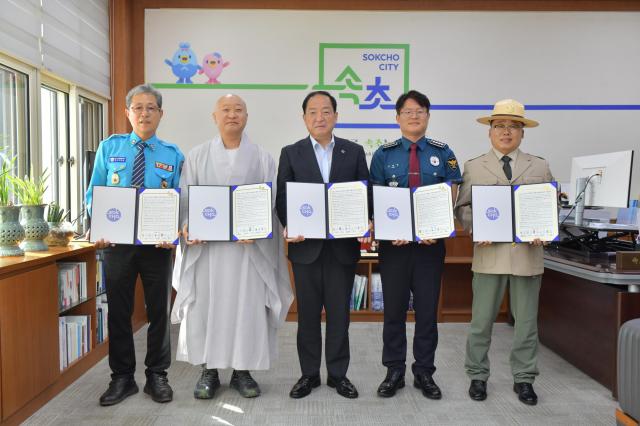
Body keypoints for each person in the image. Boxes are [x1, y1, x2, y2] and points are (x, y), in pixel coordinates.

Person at [171, 94, 292, 399]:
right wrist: (188, 225)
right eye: (225, 110)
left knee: (246, 309)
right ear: (215, 117)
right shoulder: (196, 156)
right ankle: (208, 370)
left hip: (248, 253)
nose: (232, 115)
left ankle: (242, 371)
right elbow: (185, 200)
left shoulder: (263, 158)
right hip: (208, 252)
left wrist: (261, 228)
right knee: (206, 307)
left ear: (247, 117)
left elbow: (272, 203)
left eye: (238, 110)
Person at [86, 84, 184, 406]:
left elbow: (182, 201)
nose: (144, 113)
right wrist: (97, 225)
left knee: (159, 310)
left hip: (157, 246)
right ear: (127, 113)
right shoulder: (108, 148)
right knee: (119, 311)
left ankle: (157, 375)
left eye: (150, 108)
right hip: (118, 245)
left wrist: (177, 228)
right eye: (138, 107)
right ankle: (122, 378)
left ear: (161, 114)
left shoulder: (173, 154)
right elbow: (94, 193)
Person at [454, 99, 554, 406]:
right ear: (490, 132)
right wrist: (477, 228)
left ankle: (524, 378)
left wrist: (544, 231)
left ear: (522, 132)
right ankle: (478, 375)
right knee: (481, 321)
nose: (506, 132)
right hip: (489, 255)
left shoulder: (539, 165)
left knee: (526, 323)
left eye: (513, 126)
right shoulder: (473, 166)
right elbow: (463, 210)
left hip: (527, 256)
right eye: (499, 126)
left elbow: (550, 207)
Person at [276, 91, 369, 399]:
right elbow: (283, 199)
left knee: (340, 315)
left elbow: (364, 196)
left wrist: (365, 221)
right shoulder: (291, 152)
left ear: (336, 116)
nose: (320, 117)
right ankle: (309, 374)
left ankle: (339, 375)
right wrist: (291, 226)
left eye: (326, 111)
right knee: (308, 316)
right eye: (313, 112)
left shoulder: (353, 152)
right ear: (304, 118)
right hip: (306, 248)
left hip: (342, 248)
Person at [369, 90, 462, 399]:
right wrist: (386, 227)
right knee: (393, 311)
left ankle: (424, 372)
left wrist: (439, 225)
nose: (414, 115)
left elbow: (453, 189)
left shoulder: (443, 151)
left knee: (426, 312)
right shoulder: (384, 153)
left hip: (429, 247)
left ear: (427, 116)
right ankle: (393, 370)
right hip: (394, 246)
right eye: (407, 111)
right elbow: (377, 195)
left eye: (420, 110)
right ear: (397, 118)